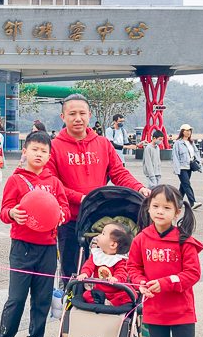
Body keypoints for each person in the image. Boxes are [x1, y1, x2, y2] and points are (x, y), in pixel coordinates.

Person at [45, 94, 149, 284]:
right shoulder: (54, 147)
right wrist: (80, 198)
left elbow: (119, 173)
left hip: (98, 222)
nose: (78, 118)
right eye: (72, 114)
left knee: (102, 268)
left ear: (89, 115)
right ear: (63, 117)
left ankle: (97, 305)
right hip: (69, 220)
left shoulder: (102, 143)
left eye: (82, 113)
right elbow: (52, 183)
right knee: (70, 269)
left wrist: (139, 188)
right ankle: (69, 307)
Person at [128, 184, 203, 337]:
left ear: (178, 212)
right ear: (148, 209)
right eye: (156, 206)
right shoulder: (141, 239)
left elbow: (192, 274)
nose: (160, 211)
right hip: (154, 310)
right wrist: (140, 283)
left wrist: (166, 282)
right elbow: (133, 269)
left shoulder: (184, 241)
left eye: (167, 207)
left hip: (182, 311)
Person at [0, 130, 69, 337]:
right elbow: (4, 212)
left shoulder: (54, 182)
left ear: (49, 155)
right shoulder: (15, 180)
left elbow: (65, 210)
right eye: (34, 149)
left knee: (42, 300)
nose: (39, 154)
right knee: (16, 298)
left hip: (48, 248)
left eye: (44, 151)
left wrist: (60, 217)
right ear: (24, 152)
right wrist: (13, 213)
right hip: (22, 248)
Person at [78, 222, 132, 306]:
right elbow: (89, 265)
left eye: (103, 234)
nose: (98, 236)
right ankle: (103, 302)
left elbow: (122, 272)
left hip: (116, 292)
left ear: (113, 244)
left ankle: (111, 303)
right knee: (87, 295)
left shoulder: (120, 260)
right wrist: (84, 273)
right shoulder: (96, 254)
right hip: (100, 291)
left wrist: (116, 278)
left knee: (129, 294)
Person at [171, 125, 202, 210]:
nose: (189, 132)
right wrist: (176, 169)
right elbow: (175, 157)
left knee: (183, 186)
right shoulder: (178, 143)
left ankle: (177, 203)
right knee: (187, 185)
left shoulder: (191, 142)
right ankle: (193, 202)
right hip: (182, 167)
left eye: (190, 131)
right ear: (182, 132)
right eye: (187, 130)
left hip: (189, 167)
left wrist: (199, 164)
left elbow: (196, 153)